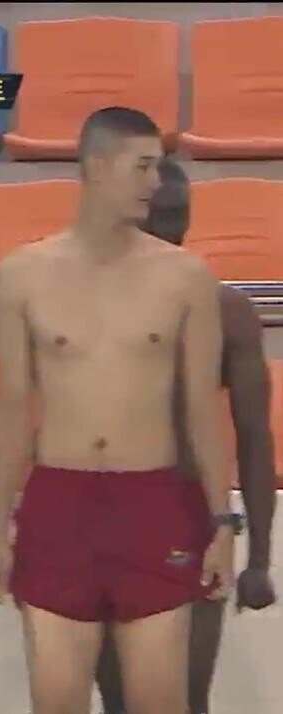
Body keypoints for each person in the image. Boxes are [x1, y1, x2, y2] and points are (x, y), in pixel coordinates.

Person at [0, 107, 236, 714]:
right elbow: (12, 412)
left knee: (159, 702)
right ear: (97, 166)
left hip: (153, 501)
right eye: (143, 167)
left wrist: (224, 523)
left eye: (158, 167)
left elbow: (202, 410)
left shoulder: (186, 277)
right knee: (57, 702)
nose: (156, 183)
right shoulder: (22, 275)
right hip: (58, 502)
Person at [95, 157, 277, 714]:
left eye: (177, 215)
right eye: (156, 214)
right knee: (119, 700)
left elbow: (255, 437)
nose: (167, 229)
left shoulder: (227, 313)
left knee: (186, 698)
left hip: (191, 518)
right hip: (102, 515)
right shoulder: (85, 306)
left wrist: (260, 558)